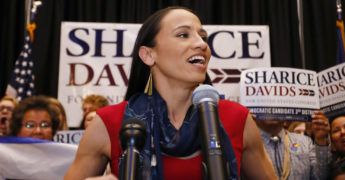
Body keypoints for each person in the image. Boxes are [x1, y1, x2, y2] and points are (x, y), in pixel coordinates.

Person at [65, 6, 276, 180]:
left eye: (203, 37)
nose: (202, 44)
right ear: (148, 55)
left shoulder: (237, 118)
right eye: (183, 35)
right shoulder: (108, 122)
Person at [255, 111, 331, 180]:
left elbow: (320, 177)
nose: (272, 109)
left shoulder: (304, 142)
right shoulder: (246, 144)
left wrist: (321, 140)